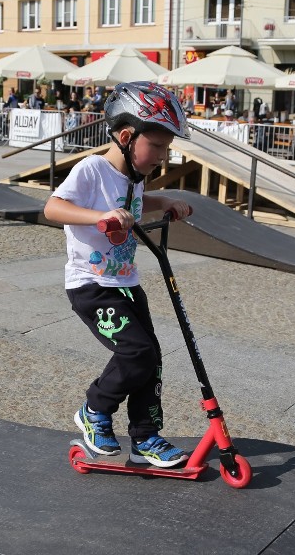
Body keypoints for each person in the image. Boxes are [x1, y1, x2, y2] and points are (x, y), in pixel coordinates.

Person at [43, 81, 193, 468]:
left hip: (126, 284)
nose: (162, 155)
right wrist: (100, 217)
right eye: (157, 147)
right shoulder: (93, 169)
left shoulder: (134, 180)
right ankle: (94, 410)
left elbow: (138, 205)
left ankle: (145, 437)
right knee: (136, 351)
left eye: (167, 148)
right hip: (92, 286)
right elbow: (53, 208)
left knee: (152, 358)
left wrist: (168, 203)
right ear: (127, 136)